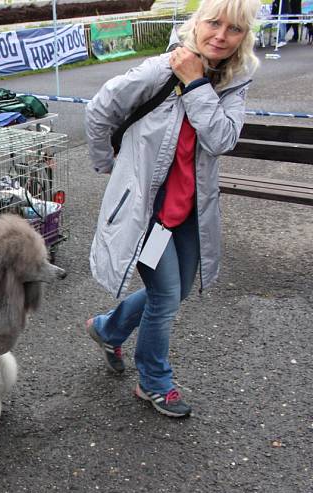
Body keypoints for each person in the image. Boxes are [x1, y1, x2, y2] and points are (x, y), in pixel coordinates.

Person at [84, 0, 261, 417]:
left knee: (176, 290)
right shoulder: (157, 70)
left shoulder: (234, 80)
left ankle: (108, 329)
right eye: (213, 23)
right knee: (165, 297)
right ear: (196, 24)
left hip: (187, 213)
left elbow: (221, 139)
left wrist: (197, 84)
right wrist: (108, 166)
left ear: (244, 37)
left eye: (233, 29)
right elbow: (98, 110)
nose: (220, 35)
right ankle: (154, 382)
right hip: (147, 213)